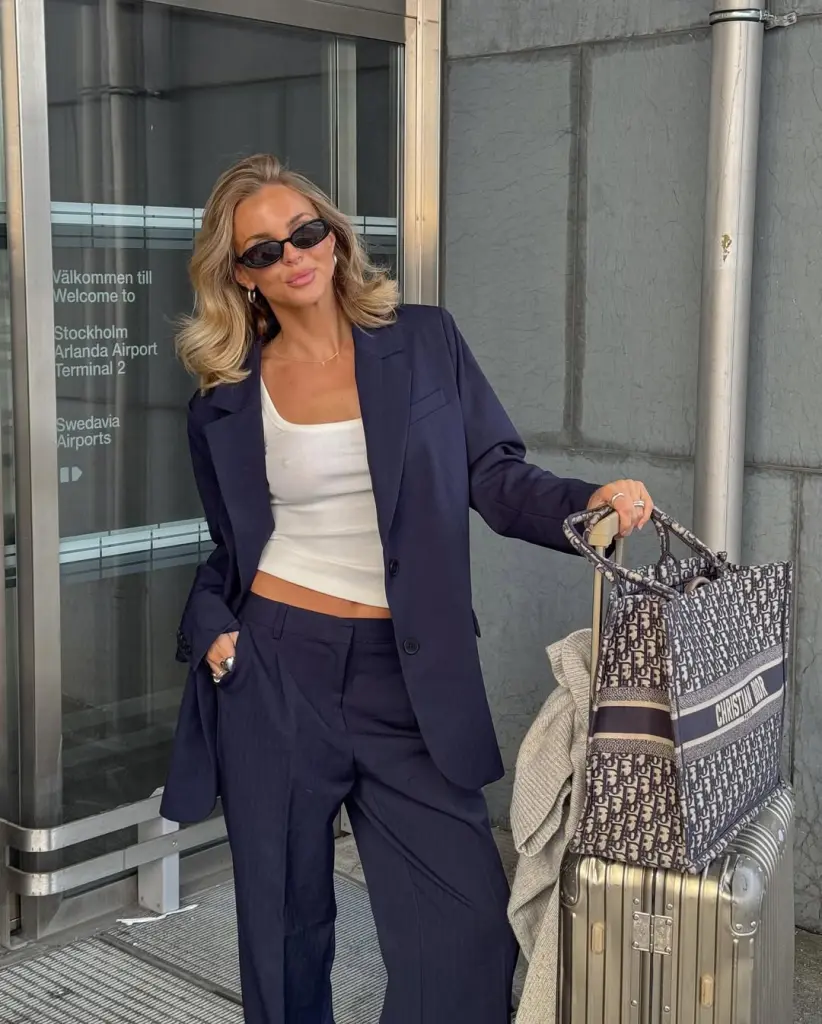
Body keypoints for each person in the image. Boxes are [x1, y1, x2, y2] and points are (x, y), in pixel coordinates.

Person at [162, 153, 654, 1024]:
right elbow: (231, 553)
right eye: (264, 250)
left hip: (408, 675)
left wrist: (587, 506)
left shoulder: (424, 342)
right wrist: (213, 629)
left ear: (336, 233)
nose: (293, 256)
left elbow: (496, 477)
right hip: (275, 669)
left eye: (305, 232)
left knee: (464, 935)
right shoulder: (226, 400)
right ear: (239, 278)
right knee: (283, 934)